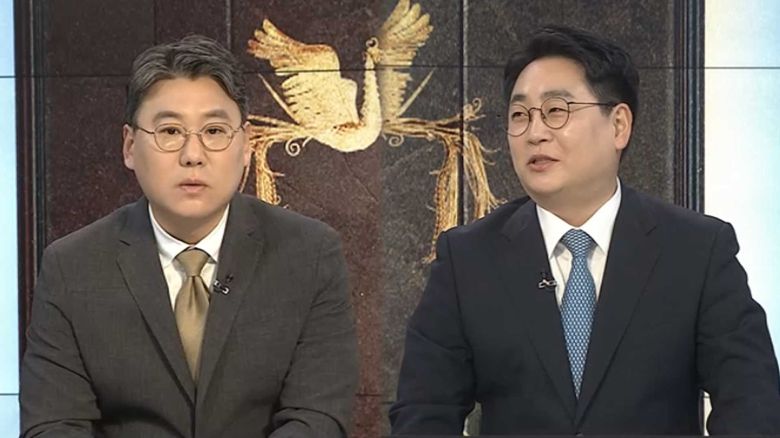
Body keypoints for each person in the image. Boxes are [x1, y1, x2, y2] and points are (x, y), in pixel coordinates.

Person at [390, 25, 780, 435]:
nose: (535, 133)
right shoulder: (468, 259)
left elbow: (753, 405)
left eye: (556, 110)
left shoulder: (696, 251)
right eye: (520, 116)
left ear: (618, 125)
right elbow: (423, 413)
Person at [20, 35, 357, 438]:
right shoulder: (72, 267)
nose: (192, 155)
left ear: (245, 145)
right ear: (130, 146)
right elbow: (53, 425)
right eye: (170, 131)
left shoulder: (309, 255)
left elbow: (317, 418)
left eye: (214, 131)